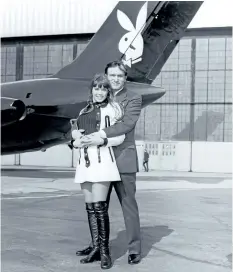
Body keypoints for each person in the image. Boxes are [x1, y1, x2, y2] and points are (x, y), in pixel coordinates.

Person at [76, 60, 142, 265]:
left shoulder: (133, 98)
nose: (115, 79)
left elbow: (127, 124)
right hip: (98, 161)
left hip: (123, 160)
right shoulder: (98, 97)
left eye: (119, 76)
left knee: (128, 206)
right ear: (106, 76)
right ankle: (97, 244)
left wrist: (100, 136)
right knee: (97, 206)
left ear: (125, 78)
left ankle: (134, 248)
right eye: (111, 75)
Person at [71, 73, 125, 270]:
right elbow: (75, 135)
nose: (99, 92)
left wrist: (101, 140)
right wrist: (75, 139)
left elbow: (119, 137)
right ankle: (95, 247)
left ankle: (104, 252)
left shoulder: (113, 109)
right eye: (97, 88)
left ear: (108, 91)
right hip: (85, 163)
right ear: (92, 89)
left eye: (103, 88)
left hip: (103, 162)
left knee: (100, 208)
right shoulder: (84, 110)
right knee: (90, 208)